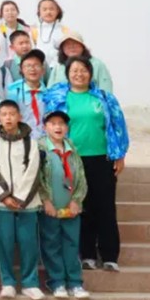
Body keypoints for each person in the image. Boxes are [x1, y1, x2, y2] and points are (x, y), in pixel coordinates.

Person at [42, 54, 129, 273]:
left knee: (105, 206)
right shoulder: (59, 98)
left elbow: (118, 126)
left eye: (83, 70)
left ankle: (109, 255)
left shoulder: (104, 98)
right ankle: (87, 254)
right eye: (74, 71)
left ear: (90, 73)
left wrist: (120, 155)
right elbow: (50, 126)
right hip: (71, 159)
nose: (79, 74)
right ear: (67, 74)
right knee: (83, 205)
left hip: (102, 158)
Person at [0, 100, 44, 300]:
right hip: (1, 204)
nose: (8, 118)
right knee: (4, 243)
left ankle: (30, 283)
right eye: (4, 114)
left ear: (19, 116)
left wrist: (20, 198)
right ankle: (7, 282)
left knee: (28, 243)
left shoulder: (31, 143)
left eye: (12, 114)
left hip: (27, 203)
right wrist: (5, 196)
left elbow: (33, 171)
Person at [38, 109, 91, 300]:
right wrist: (46, 200)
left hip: (71, 207)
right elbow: (38, 178)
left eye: (61, 123)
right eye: (53, 124)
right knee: (51, 244)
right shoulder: (40, 148)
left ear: (67, 127)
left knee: (71, 244)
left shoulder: (72, 148)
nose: (58, 127)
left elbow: (81, 177)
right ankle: (57, 281)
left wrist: (77, 200)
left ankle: (75, 282)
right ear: (45, 127)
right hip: (50, 207)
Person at [47, 31, 115, 94]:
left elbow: (106, 90)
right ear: (62, 49)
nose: (72, 47)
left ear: (82, 46)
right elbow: (49, 90)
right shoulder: (58, 66)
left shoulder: (97, 64)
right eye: (67, 44)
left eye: (75, 43)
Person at [8, 49, 49, 138]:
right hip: (21, 138)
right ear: (21, 70)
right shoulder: (14, 91)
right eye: (28, 66)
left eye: (36, 65)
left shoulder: (48, 94)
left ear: (43, 70)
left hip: (44, 139)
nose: (32, 69)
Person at [31, 0, 70, 66]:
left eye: (51, 9)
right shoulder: (34, 30)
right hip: (39, 66)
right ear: (39, 12)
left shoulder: (64, 30)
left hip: (58, 66)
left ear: (57, 11)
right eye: (44, 9)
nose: (48, 12)